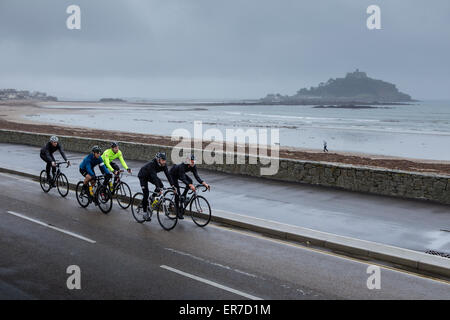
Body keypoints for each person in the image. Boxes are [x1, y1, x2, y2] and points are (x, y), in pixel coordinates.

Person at [137, 152, 176, 220]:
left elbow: (168, 175)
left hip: (150, 175)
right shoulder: (152, 164)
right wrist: (158, 188)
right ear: (158, 160)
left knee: (161, 185)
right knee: (146, 193)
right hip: (143, 176)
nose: (164, 162)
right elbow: (154, 177)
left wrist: (173, 186)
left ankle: (152, 197)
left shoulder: (164, 165)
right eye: (162, 160)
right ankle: (145, 213)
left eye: (165, 160)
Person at [169, 154, 210, 219]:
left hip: (180, 174)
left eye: (194, 161)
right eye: (192, 161)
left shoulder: (193, 166)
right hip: (172, 174)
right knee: (177, 192)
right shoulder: (182, 165)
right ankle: (177, 212)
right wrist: (190, 185)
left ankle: (183, 196)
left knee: (190, 181)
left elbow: (197, 176)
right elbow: (183, 178)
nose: (193, 163)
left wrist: (204, 183)